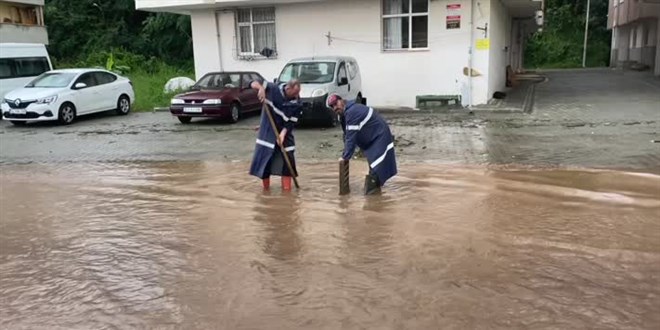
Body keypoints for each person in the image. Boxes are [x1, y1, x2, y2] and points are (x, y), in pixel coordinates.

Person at [327, 94, 397, 195]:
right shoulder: (344, 114)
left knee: (376, 169)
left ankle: (371, 199)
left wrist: (345, 157)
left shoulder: (352, 112)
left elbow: (351, 138)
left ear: (341, 100)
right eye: (332, 106)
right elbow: (347, 136)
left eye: (335, 103)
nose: (335, 107)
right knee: (374, 167)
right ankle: (375, 194)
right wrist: (345, 153)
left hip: (380, 137)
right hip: (371, 140)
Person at [248, 79, 302, 191]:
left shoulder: (297, 103)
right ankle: (266, 190)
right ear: (287, 88)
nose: (297, 96)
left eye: (298, 93)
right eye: (295, 93)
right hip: (268, 131)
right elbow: (252, 82)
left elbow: (291, 122)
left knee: (288, 162)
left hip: (285, 133)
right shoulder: (272, 89)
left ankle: (287, 192)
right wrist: (261, 88)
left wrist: (282, 134)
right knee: (265, 161)